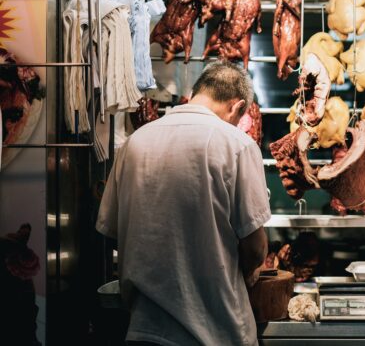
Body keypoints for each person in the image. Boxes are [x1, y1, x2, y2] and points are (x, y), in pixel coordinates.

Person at [96, 60, 271, 346]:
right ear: (238, 107)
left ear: (196, 92)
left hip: (144, 331)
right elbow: (255, 247)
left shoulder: (135, 143)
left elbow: (114, 232)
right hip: (215, 332)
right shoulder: (236, 144)